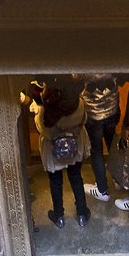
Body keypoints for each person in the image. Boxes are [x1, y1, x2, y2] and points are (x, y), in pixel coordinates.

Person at [32, 84, 90, 229]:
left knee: (56, 182)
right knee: (76, 177)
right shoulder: (79, 103)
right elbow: (84, 120)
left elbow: (41, 129)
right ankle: (82, 215)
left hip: (53, 151)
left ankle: (59, 217)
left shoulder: (45, 111)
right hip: (75, 146)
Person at [80, 73, 123, 202]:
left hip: (93, 113)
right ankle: (118, 179)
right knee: (112, 144)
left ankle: (102, 190)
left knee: (97, 150)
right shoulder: (111, 58)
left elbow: (75, 76)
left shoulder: (84, 62)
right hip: (112, 108)